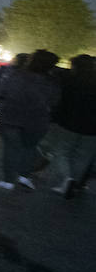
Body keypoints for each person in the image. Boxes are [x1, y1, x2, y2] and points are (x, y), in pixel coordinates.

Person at [0, 50, 60, 190]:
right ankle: (24, 176)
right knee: (30, 148)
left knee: (11, 149)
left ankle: (8, 180)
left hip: (11, 117)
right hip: (37, 120)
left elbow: (0, 93)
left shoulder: (15, 75)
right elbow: (54, 101)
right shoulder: (52, 82)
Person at [42, 55, 96, 198]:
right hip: (92, 128)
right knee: (83, 156)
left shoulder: (70, 80)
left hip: (69, 122)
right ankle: (73, 184)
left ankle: (67, 178)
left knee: (61, 151)